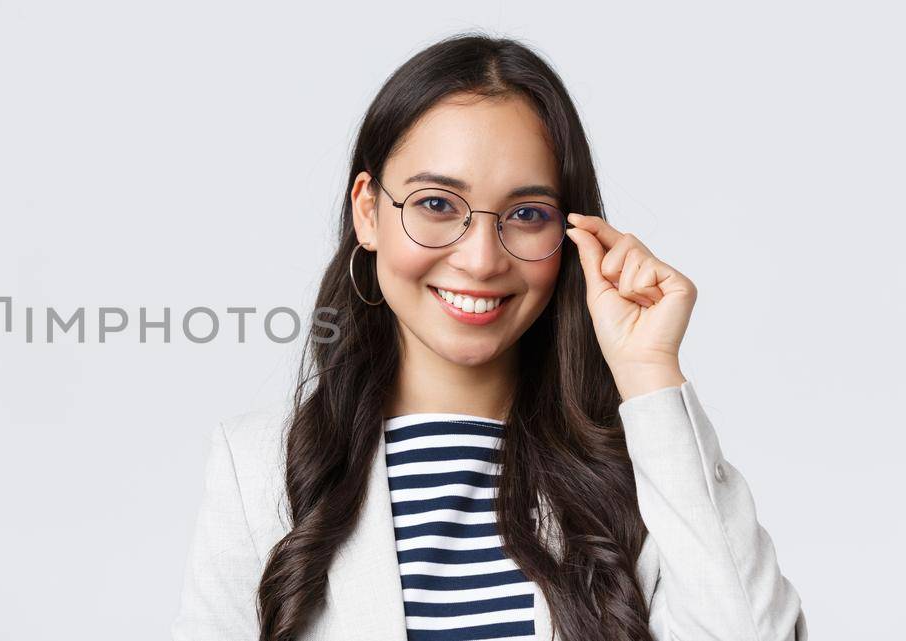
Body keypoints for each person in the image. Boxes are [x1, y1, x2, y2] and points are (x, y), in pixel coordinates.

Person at [172, 33, 807, 641]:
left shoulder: (644, 466)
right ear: (368, 210)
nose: (480, 260)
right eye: (437, 204)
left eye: (528, 214)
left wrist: (648, 372)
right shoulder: (259, 468)